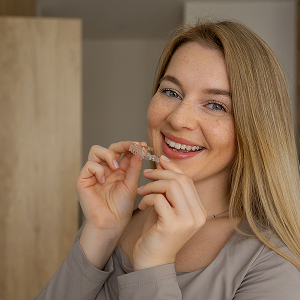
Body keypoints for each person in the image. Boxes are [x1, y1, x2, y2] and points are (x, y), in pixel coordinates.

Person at [34, 19, 300, 300]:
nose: (178, 118)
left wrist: (153, 268)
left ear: (256, 129)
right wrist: (101, 232)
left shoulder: (276, 264)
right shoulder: (112, 223)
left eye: (216, 105)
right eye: (171, 92)